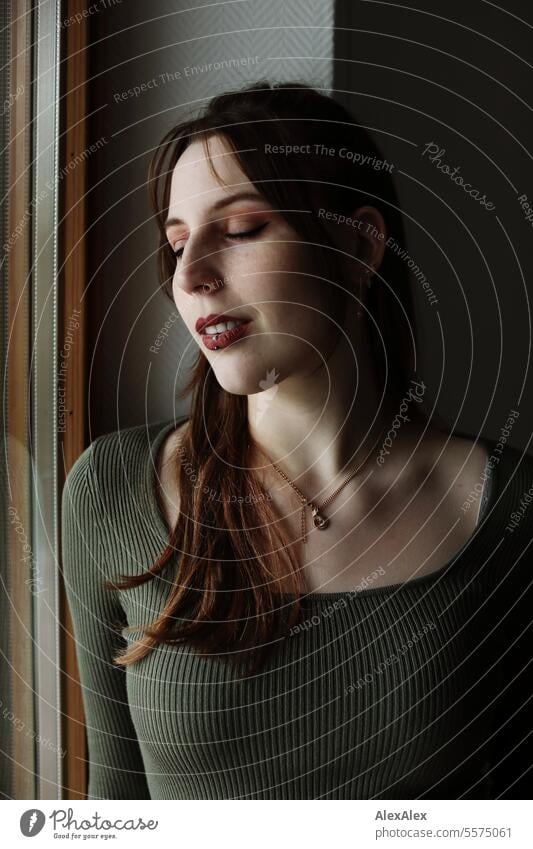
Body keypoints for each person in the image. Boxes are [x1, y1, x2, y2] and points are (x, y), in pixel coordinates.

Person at [62, 81, 533, 800]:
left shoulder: (510, 509)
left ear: (357, 241)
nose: (190, 277)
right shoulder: (110, 488)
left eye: (242, 228)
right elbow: (114, 804)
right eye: (178, 241)